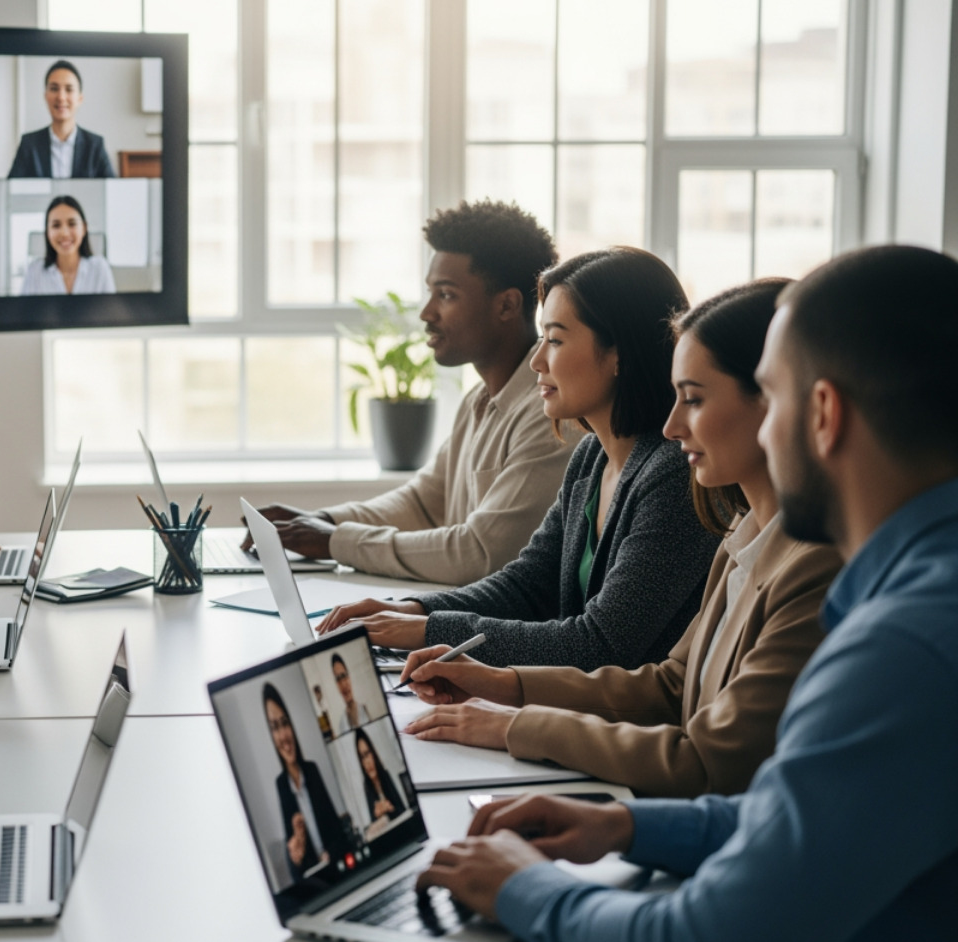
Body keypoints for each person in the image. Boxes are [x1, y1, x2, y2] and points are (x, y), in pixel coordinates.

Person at [417, 245, 958, 942]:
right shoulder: (911, 594)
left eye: (770, 397)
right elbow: (801, 808)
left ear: (823, 415)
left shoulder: (906, 646)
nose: (677, 429)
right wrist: (627, 824)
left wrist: (519, 886)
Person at [400, 279, 842, 798]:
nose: (674, 427)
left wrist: (512, 724)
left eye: (694, 400)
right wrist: (505, 685)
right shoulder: (742, 536)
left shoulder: (812, 567)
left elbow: (705, 762)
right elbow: (671, 685)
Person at [320, 247, 720, 673]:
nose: (537, 361)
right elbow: (527, 585)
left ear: (619, 352)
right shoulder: (591, 456)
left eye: (556, 340)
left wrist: (430, 631)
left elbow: (599, 644)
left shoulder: (674, 475)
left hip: (632, 730)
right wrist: (412, 610)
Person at [244, 200, 572, 585]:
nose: (426, 312)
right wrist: (321, 523)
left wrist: (336, 541)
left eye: (446, 295)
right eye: (430, 292)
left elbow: (481, 553)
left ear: (506, 305)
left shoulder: (550, 413)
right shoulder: (479, 401)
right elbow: (422, 503)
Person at [264, 684, 347, 879]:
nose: (283, 736)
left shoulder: (312, 770)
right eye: (275, 727)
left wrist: (330, 856)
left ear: (291, 726)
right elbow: (296, 872)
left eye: (284, 723)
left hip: (337, 871)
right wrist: (294, 856)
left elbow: (339, 836)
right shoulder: (281, 786)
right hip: (314, 883)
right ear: (271, 736)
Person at [7, 60, 115, 179]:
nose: (61, 97)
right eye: (54, 89)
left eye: (69, 89)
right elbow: (11, 190)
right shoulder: (29, 144)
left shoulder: (95, 145)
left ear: (80, 98)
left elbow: (111, 192)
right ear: (45, 96)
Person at [19, 195, 117, 296]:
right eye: (56, 225)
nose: (65, 233)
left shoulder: (100, 268)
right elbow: (24, 311)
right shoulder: (35, 271)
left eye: (72, 224)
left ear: (84, 228)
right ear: (47, 232)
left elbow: (109, 311)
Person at [354, 727, 405, 825]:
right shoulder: (367, 786)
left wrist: (390, 808)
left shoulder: (385, 775)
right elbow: (373, 828)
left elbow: (402, 810)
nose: (367, 761)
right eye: (362, 757)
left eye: (367, 754)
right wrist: (377, 815)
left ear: (373, 753)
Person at [330, 652, 377, 731]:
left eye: (343, 676)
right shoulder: (342, 724)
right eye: (338, 679)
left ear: (349, 677)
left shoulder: (368, 710)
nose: (343, 684)